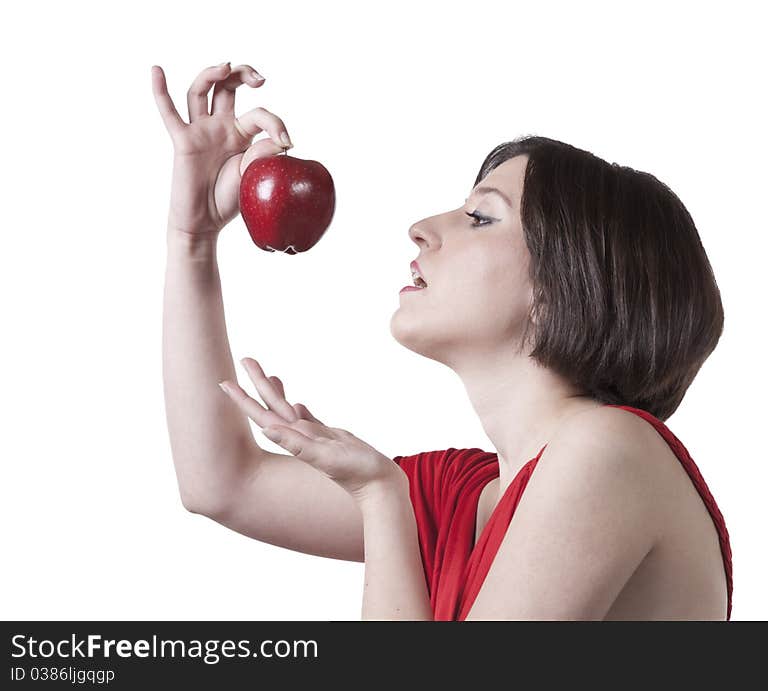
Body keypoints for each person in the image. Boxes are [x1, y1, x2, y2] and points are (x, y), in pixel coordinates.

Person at [152, 61, 732, 621]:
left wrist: (381, 501)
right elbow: (223, 483)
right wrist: (192, 238)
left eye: (481, 217)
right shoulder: (467, 494)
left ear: (566, 284)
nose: (422, 228)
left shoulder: (609, 449)